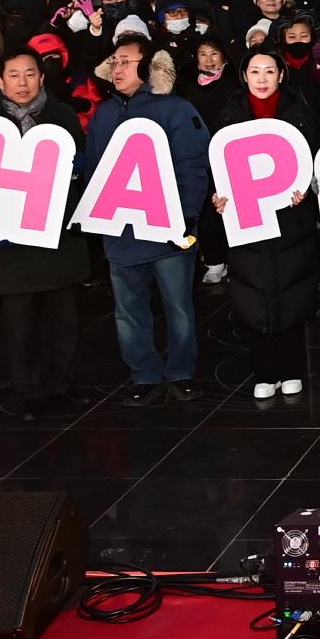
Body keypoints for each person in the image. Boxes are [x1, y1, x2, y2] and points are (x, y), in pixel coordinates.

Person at [82, 33, 213, 405]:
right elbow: (95, 171)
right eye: (114, 61)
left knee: (178, 306)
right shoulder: (104, 113)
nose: (117, 67)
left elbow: (193, 164)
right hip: (120, 231)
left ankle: (181, 372)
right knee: (128, 311)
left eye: (126, 61)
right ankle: (143, 374)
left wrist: (186, 216)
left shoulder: (174, 109)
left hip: (167, 228)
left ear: (150, 66)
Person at [0, 49, 92, 419]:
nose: (23, 82)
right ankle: (28, 391)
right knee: (20, 325)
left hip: (59, 234)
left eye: (30, 74)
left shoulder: (61, 116)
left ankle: (63, 385)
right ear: (0, 81)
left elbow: (80, 165)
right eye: (14, 75)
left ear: (42, 78)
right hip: (11, 243)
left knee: (65, 320)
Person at [215, 50, 320, 399]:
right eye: (254, 71)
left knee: (292, 292)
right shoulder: (228, 115)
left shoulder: (302, 113)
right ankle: (264, 371)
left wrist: (307, 189)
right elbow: (214, 168)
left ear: (281, 75)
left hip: (292, 220)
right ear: (244, 75)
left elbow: (316, 162)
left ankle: (292, 369)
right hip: (247, 220)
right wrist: (216, 198)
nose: (262, 78)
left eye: (269, 71)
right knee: (252, 295)